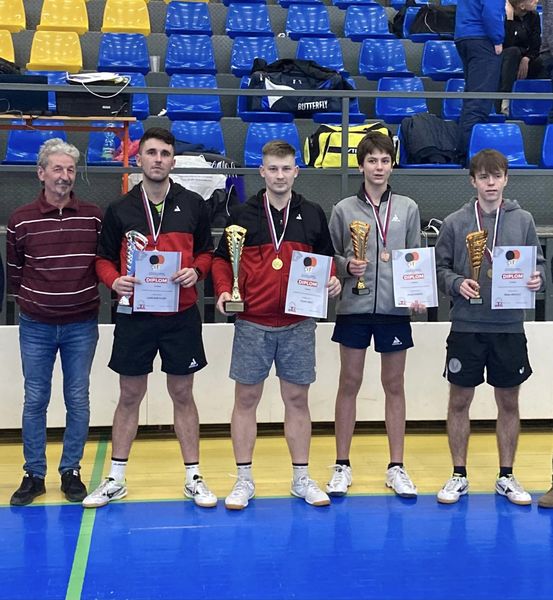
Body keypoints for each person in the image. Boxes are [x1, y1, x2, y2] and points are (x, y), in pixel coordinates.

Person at [83, 128, 216, 509]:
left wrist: (197, 271)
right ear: (138, 158)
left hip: (181, 315)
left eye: (165, 153)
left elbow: (207, 252)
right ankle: (116, 478)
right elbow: (102, 258)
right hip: (134, 315)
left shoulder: (193, 204)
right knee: (129, 395)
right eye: (152, 153)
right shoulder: (120, 208)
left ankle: (193, 476)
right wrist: (114, 280)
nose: (158, 159)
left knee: (183, 394)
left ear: (173, 160)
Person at [212, 140, 341, 510]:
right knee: (246, 400)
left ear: (296, 171)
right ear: (262, 172)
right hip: (252, 322)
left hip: (298, 323)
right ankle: (243, 480)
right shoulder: (242, 214)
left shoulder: (312, 213)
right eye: (273, 168)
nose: (280, 175)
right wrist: (224, 289)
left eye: (286, 168)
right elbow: (221, 260)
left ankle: (301, 478)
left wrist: (332, 278)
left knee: (297, 400)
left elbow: (326, 259)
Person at [434, 149, 545, 505]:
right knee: (459, 400)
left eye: (496, 176)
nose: (491, 183)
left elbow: (539, 264)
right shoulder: (455, 222)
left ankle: (506, 475)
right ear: (473, 181)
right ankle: (458, 474)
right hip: (467, 325)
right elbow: (439, 268)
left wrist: (538, 279)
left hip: (509, 325)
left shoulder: (523, 220)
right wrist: (456, 283)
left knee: (508, 401)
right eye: (484, 177)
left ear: (506, 179)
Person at [326, 131, 422, 499]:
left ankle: (397, 466)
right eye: (372, 160)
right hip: (354, 307)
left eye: (384, 160)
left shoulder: (408, 208)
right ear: (361, 165)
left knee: (394, 385)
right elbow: (331, 256)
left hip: (394, 309)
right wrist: (345, 266)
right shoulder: (343, 209)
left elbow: (415, 256)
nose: (378, 167)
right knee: (349, 382)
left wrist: (417, 294)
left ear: (392, 165)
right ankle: (342, 465)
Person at [7, 139, 102, 506]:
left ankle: (71, 471)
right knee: (35, 399)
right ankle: (33, 474)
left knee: (77, 398)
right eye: (57, 168)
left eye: (70, 169)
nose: (65, 176)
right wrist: (38, 301)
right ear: (41, 173)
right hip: (36, 325)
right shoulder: (20, 219)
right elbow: (16, 273)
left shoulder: (93, 216)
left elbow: (102, 263)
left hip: (82, 324)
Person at [455, 0, 505, 157]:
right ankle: (470, 158)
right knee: (479, 104)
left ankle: (463, 154)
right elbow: (491, 11)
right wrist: (497, 38)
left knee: (472, 101)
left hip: (465, 36)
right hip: (482, 39)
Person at [498, 0, 543, 116]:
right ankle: (504, 99)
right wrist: (510, 19)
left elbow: (536, 45)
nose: (537, 1)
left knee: (541, 62)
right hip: (504, 58)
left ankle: (533, 105)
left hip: (524, 57)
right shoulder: (503, 15)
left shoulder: (534, 16)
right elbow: (507, 43)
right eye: (531, 0)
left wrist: (527, 58)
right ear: (522, 6)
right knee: (513, 52)